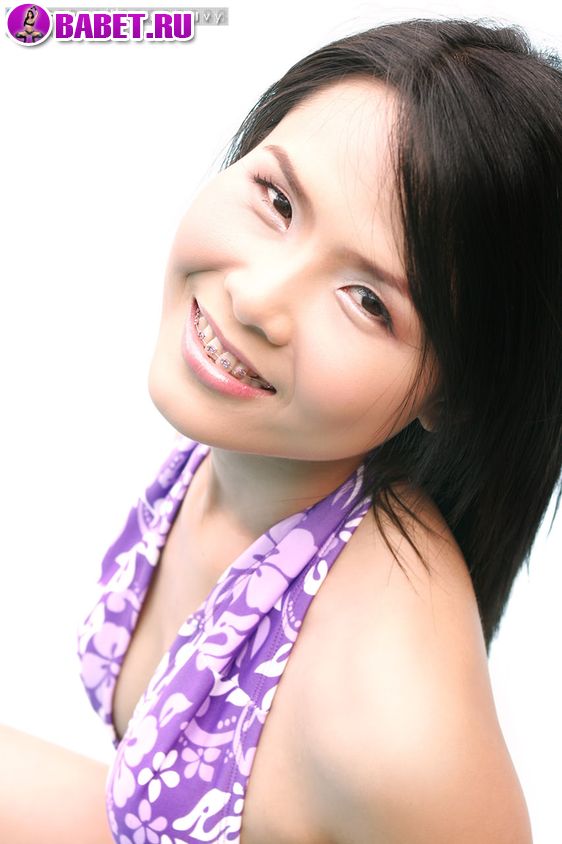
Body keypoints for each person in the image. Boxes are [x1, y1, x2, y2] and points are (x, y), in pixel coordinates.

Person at [1, 16, 560, 844]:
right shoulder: (261, 450)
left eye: (367, 301)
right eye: (278, 200)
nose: (258, 298)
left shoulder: (394, 724)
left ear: (453, 395)